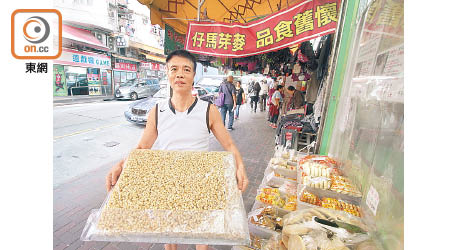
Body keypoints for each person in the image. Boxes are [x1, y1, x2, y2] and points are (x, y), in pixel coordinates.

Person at [105, 50, 249, 250]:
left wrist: (239, 166)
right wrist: (122, 165)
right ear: (167, 73)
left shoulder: (209, 110)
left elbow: (229, 145)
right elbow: (142, 148)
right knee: (169, 233)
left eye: (186, 69)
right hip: (168, 182)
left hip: (200, 182)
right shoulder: (157, 111)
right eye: (174, 69)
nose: (179, 74)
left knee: (202, 234)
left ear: (193, 75)